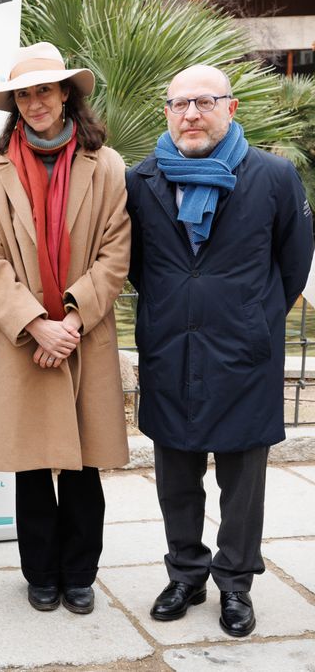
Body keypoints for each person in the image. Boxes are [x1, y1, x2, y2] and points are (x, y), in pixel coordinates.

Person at [126, 64, 314, 637]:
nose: (191, 114)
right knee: (175, 475)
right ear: (166, 112)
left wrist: (253, 319)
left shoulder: (274, 177)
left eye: (204, 102)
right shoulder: (142, 179)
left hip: (244, 354)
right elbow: (136, 265)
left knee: (243, 481)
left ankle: (235, 583)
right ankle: (185, 571)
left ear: (230, 109)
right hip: (171, 351)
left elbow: (294, 260)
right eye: (180, 104)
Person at [0, 42, 131, 615]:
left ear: (66, 94)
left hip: (83, 334)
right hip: (24, 341)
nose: (35, 102)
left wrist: (71, 319)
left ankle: (80, 573)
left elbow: (115, 254)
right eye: (25, 94)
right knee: (35, 465)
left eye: (45, 89)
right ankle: (40, 573)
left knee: (85, 466)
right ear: (15, 103)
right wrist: (37, 325)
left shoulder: (106, 164)